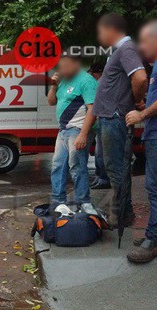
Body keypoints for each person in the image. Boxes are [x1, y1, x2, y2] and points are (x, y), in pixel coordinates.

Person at [93, 13, 149, 228]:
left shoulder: (126, 49)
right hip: (110, 117)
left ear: (111, 29)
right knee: (116, 169)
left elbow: (141, 77)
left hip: (115, 117)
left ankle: (122, 217)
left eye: (101, 31)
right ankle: (124, 214)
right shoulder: (119, 51)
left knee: (117, 169)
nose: (100, 35)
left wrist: (136, 101)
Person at [125, 20, 157, 263]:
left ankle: (155, 240)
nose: (142, 47)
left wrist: (142, 114)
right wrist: (145, 106)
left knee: (156, 187)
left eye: (144, 40)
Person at [47, 56, 98, 209]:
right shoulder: (64, 81)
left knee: (76, 165)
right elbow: (51, 101)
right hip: (63, 130)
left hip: (78, 129)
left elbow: (92, 108)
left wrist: (83, 133)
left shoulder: (86, 80)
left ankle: (84, 201)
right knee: (58, 165)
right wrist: (54, 86)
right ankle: (58, 201)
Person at [88, 62, 112, 190]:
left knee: (101, 152)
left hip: (102, 119)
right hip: (101, 119)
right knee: (100, 152)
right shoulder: (103, 81)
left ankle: (103, 178)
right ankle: (100, 176)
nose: (91, 74)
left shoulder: (101, 82)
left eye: (93, 72)